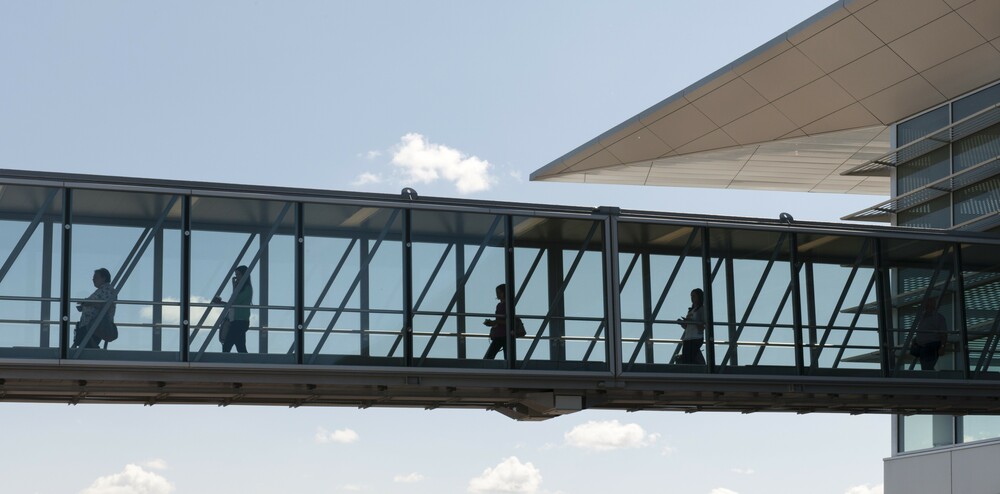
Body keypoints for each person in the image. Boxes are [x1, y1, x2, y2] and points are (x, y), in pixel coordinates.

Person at [73, 268, 117, 349]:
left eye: (96, 277)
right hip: (90, 325)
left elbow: (104, 305)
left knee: (87, 348)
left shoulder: (107, 289)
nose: (93, 279)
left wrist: (87, 303)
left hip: (95, 325)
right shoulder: (102, 290)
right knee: (84, 346)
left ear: (104, 278)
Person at [214, 265, 252, 353]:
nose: (237, 277)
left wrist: (234, 288)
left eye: (238, 275)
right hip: (237, 321)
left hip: (240, 321)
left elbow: (234, 302)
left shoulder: (247, 289)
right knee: (240, 345)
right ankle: (246, 363)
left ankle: (226, 363)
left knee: (228, 345)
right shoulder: (243, 289)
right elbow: (233, 302)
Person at [910, 298, 947, 370]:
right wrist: (915, 339)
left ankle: (933, 379)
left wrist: (942, 347)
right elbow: (920, 330)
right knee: (926, 367)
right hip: (921, 346)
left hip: (931, 346)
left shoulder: (939, 318)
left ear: (933, 305)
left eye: (929, 303)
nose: (926, 305)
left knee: (927, 367)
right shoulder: (921, 316)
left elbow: (944, 334)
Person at [676, 288, 706, 365]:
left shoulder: (701, 309)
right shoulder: (691, 310)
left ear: (699, 297)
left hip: (696, 337)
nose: (692, 298)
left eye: (694, 296)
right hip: (687, 337)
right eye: (691, 296)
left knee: (691, 357)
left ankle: (702, 368)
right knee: (687, 358)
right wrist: (683, 323)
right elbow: (686, 327)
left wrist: (692, 322)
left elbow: (703, 325)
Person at [483, 284, 511, 360]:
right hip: (501, 333)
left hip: (504, 334)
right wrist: (493, 323)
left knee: (491, 356)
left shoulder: (507, 305)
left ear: (504, 293)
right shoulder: (500, 305)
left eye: (499, 292)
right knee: (506, 357)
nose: (497, 294)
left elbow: (509, 321)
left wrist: (494, 322)